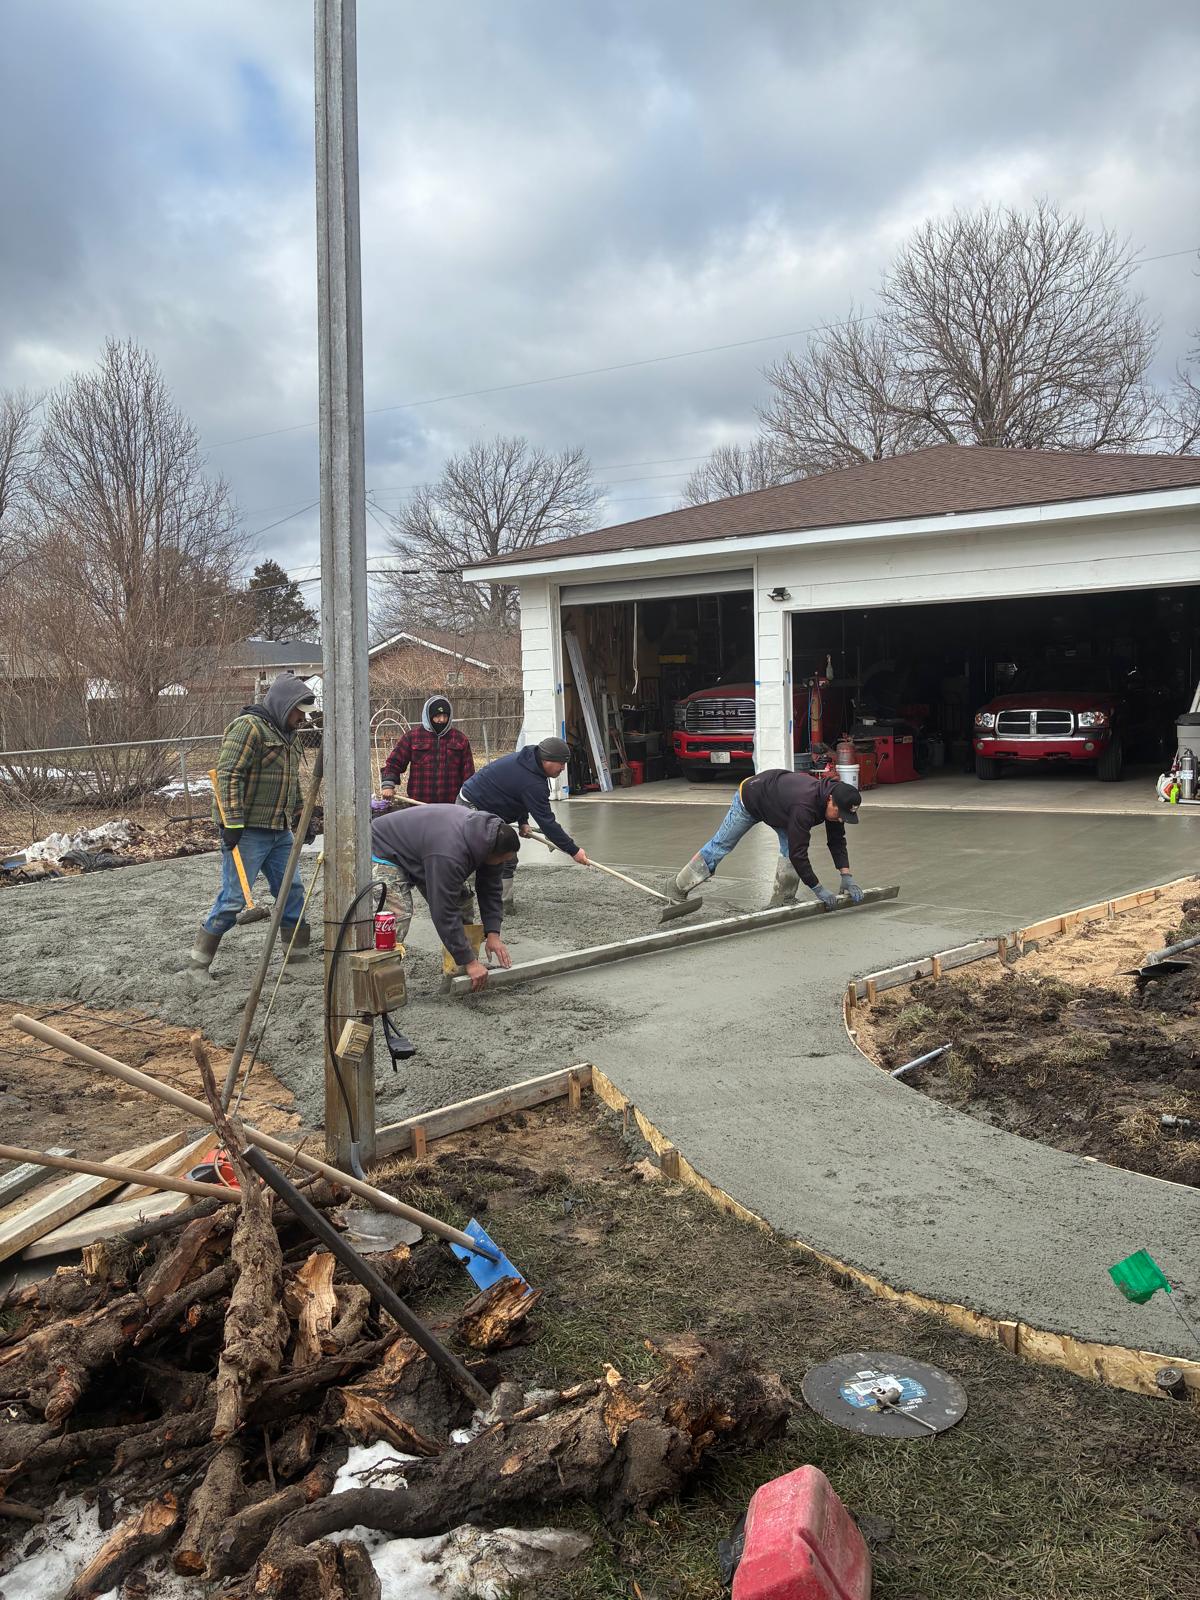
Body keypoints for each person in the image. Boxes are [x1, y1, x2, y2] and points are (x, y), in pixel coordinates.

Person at [191, 673, 316, 971]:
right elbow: (228, 774)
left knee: (291, 890)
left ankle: (296, 957)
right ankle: (198, 964)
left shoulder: (289, 736)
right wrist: (232, 822)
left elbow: (291, 782)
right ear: (286, 705)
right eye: (299, 711)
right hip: (247, 832)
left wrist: (300, 815)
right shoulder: (248, 728)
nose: (302, 718)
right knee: (233, 900)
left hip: (279, 831)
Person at [370, 804, 518, 992]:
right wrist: (471, 961)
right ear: (490, 853)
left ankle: (459, 969)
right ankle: (381, 982)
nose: (502, 864)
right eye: (502, 860)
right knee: (397, 916)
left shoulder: (493, 838)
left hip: (423, 850)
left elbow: (490, 889)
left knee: (462, 903)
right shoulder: (450, 854)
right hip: (384, 847)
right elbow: (443, 910)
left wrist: (493, 934)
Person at [671, 770, 865, 909]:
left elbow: (837, 840)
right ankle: (677, 887)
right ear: (830, 799)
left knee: (790, 849)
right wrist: (817, 888)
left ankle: (783, 899)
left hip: (780, 807)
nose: (841, 820)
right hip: (751, 798)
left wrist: (846, 875)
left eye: (844, 817)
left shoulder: (837, 803)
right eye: (840, 814)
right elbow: (800, 853)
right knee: (721, 845)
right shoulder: (804, 807)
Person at [456, 736, 590, 907]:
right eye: (561, 763)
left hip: (492, 807)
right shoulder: (532, 782)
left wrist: (523, 821)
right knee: (494, 855)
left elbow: (517, 794)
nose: (563, 768)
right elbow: (547, 823)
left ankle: (502, 902)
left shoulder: (531, 760)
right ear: (546, 760)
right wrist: (573, 851)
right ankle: (481, 898)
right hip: (472, 806)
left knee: (506, 856)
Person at [377, 695, 474, 807]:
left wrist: (469, 798)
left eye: (445, 716)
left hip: (450, 806)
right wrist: (388, 785)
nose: (441, 720)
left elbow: (469, 773)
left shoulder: (460, 739)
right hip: (419, 804)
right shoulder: (413, 737)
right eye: (437, 716)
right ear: (428, 716)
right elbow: (395, 762)